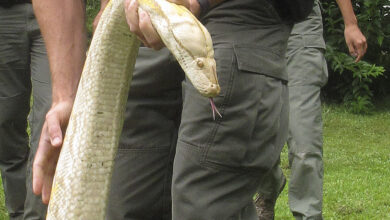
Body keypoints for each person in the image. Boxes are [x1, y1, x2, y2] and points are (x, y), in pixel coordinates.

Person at [32, 0, 294, 219]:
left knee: (202, 204)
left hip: (237, 15)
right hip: (134, 24)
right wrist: (67, 96)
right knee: (126, 200)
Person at [255, 0, 367, 219]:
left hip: (301, 23)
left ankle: (308, 215)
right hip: (253, 22)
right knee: (255, 129)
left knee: (303, 137)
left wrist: (351, 23)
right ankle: (267, 190)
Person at [0, 0, 51, 219]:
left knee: (50, 121)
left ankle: (37, 214)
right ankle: (19, 212)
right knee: (5, 121)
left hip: (58, 10)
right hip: (4, 15)